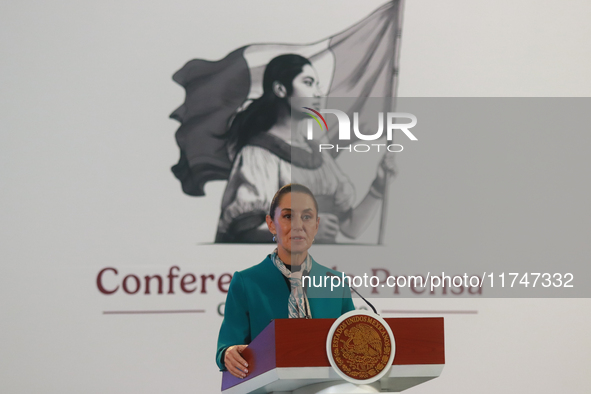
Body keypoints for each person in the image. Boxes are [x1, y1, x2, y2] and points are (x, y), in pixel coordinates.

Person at [215, 54, 395, 243]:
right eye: (308, 83)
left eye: (317, 85)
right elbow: (245, 233)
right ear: (280, 89)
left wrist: (378, 186)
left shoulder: (319, 154)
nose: (318, 93)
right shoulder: (257, 154)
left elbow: (350, 229)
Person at [215, 184, 356, 377]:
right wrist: (228, 353)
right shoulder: (247, 282)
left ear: (316, 225)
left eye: (307, 217)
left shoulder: (335, 282)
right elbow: (228, 345)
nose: (298, 225)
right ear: (271, 223)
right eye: (288, 216)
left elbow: (354, 342)